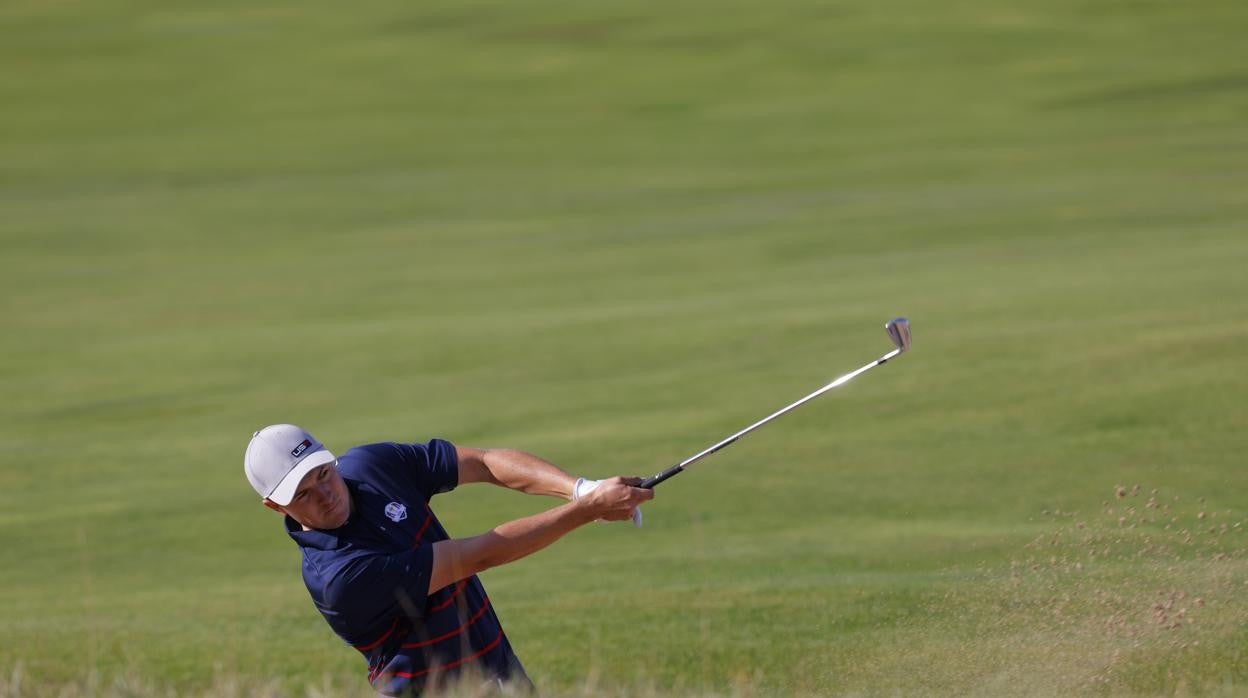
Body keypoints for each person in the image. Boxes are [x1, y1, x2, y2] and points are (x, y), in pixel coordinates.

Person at [244, 424, 653, 696]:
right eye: (302, 494)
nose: (325, 493)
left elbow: (483, 462)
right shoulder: (340, 577)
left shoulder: (371, 467)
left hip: (498, 670)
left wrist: (579, 489)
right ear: (274, 507)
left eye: (322, 474)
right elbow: (479, 555)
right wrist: (586, 511)